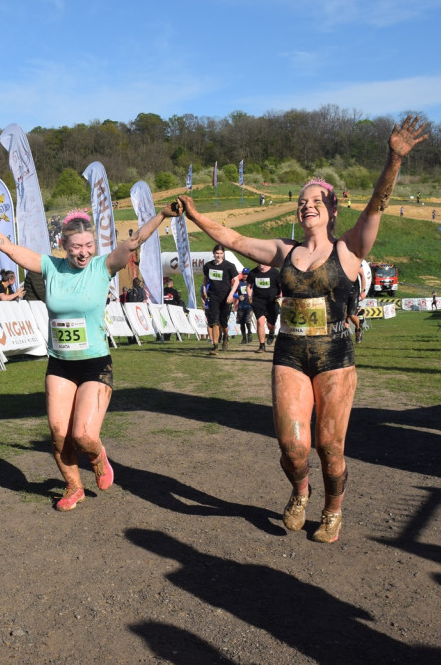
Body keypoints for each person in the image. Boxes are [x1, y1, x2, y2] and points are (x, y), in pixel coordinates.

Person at [178, 116, 427, 543]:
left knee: (330, 449)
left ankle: (333, 510)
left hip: (334, 356)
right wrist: (196, 215)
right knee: (293, 448)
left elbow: (377, 205)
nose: (306, 204)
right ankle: (300, 492)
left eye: (316, 200)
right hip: (290, 353)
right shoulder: (283, 251)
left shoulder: (350, 248)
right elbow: (234, 239)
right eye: (301, 200)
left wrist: (393, 160)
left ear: (331, 210)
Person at [0, 204, 179, 510]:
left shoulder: (103, 266)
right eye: (76, 247)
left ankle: (97, 456)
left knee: (84, 436)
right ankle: (73, 486)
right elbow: (6, 246)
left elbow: (134, 242)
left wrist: (163, 215)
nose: (84, 252)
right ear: (63, 246)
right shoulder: (50, 267)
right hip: (60, 364)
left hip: (94, 364)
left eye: (89, 246)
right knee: (59, 434)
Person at [202, 245, 239, 355]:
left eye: (220, 253)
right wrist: (204, 289)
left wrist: (231, 294)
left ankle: (226, 337)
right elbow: (205, 279)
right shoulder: (208, 266)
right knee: (215, 321)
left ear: (223, 254)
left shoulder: (229, 266)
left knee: (224, 323)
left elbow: (236, 281)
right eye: (217, 253)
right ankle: (215, 346)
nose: (218, 255)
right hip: (213, 297)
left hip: (226, 297)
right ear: (213, 253)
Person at [247, 263, 281, 353]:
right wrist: (249, 296)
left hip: (272, 301)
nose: (260, 263)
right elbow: (248, 286)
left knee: (271, 324)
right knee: (260, 321)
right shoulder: (253, 273)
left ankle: (271, 333)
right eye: (258, 261)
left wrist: (280, 296)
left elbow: (281, 286)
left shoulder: (275, 272)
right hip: (258, 301)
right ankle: (262, 346)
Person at [161, 276, 184, 341]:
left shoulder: (162, 291)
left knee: (165, 323)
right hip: (172, 310)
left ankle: (165, 337)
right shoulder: (174, 291)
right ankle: (176, 336)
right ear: (171, 284)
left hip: (164, 309)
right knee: (174, 323)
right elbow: (178, 301)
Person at [235, 268, 253, 344]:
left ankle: (249, 332)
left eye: (247, 274)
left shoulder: (252, 283)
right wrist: (238, 297)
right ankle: (244, 338)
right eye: (244, 274)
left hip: (249, 305)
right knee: (241, 322)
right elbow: (233, 292)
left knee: (248, 321)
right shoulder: (239, 283)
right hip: (241, 306)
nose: (245, 276)